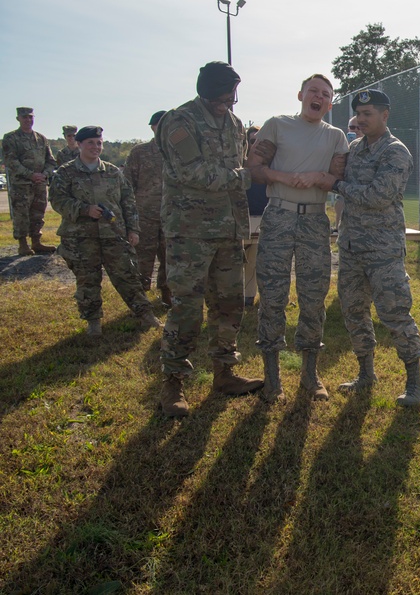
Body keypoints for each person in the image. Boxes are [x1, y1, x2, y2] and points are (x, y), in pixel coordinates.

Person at [155, 61, 264, 418]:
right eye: (222, 97)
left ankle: (224, 373)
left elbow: (240, 162)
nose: (227, 103)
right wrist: (245, 176)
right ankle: (173, 382)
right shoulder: (179, 121)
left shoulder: (234, 124)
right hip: (190, 233)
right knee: (187, 307)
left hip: (228, 230)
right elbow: (192, 172)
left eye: (231, 96)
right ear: (205, 91)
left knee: (230, 304)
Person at [246, 74, 349, 402]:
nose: (319, 96)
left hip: (314, 220)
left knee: (313, 297)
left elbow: (338, 178)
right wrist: (284, 177)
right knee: (272, 296)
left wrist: (319, 177)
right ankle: (272, 376)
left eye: (325, 94)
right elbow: (254, 167)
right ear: (300, 95)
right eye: (313, 91)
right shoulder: (277, 125)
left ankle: (309, 373)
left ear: (329, 104)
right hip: (278, 215)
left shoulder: (335, 136)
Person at [331, 89, 420, 407]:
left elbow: (378, 196)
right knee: (353, 311)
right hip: (351, 247)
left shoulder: (395, 152)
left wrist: (337, 186)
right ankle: (366, 374)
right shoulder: (354, 149)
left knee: (395, 313)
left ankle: (414, 384)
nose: (361, 119)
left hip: (383, 250)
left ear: (385, 115)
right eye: (358, 114)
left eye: (367, 114)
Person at [48, 126, 161, 336]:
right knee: (87, 280)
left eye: (99, 143)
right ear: (79, 144)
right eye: (90, 142)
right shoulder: (66, 172)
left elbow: (128, 202)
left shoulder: (112, 172)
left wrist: (133, 229)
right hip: (81, 238)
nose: (96, 147)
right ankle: (93, 322)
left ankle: (145, 315)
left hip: (113, 235)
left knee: (128, 276)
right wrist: (84, 209)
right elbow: (57, 200)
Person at [124, 111, 170, 307]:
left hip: (171, 216)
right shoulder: (140, 152)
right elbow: (127, 185)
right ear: (153, 127)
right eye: (160, 125)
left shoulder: (178, 152)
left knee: (170, 259)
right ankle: (140, 302)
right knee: (142, 259)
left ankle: (168, 296)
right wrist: (129, 217)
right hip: (145, 216)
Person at [1, 107, 58, 256]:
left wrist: (44, 175)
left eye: (30, 117)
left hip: (39, 184)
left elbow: (51, 161)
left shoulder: (41, 138)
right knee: (21, 214)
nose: (28, 120)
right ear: (18, 119)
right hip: (21, 185)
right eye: (25, 117)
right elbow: (11, 161)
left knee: (38, 213)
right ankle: (23, 244)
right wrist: (30, 175)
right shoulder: (10, 138)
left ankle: (36, 242)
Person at [243, 125, 267, 307]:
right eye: (252, 141)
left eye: (259, 141)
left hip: (262, 218)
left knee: (254, 262)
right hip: (243, 218)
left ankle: (249, 297)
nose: (255, 145)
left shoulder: (270, 167)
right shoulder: (240, 166)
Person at [333, 116, 360, 233]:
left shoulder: (371, 146)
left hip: (361, 189)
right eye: (352, 127)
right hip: (344, 186)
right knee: (340, 201)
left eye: (359, 127)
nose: (356, 130)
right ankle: (338, 228)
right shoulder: (342, 145)